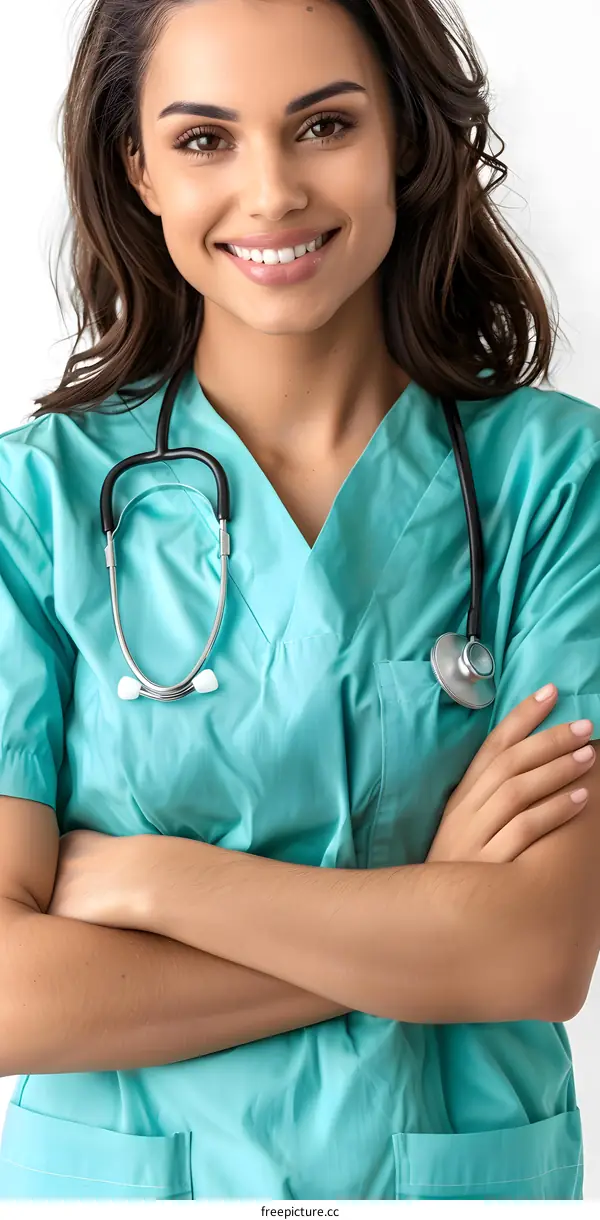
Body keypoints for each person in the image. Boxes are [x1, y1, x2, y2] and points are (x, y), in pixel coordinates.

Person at [0, 0, 599, 1201]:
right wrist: (431, 930)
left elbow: (538, 951)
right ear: (140, 169)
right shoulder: (38, 501)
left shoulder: (552, 480)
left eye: (323, 124)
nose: (271, 194)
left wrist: (156, 882)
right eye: (205, 140)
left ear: (407, 139)